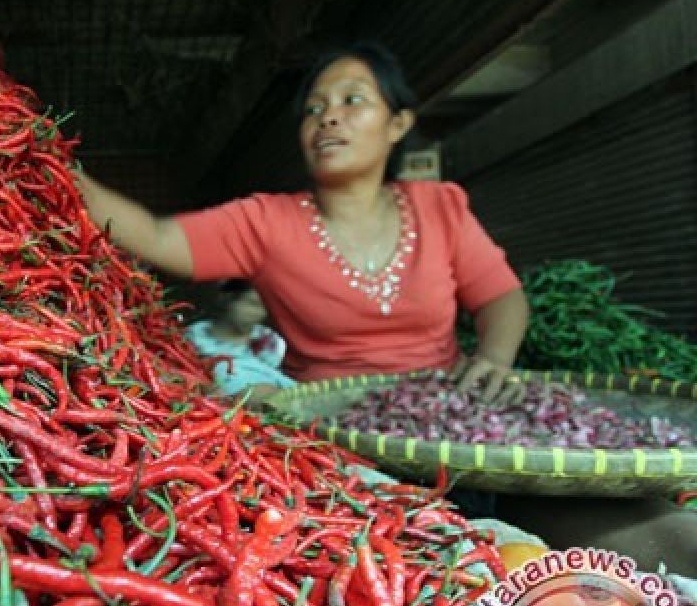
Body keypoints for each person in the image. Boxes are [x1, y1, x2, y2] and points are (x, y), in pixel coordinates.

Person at [76, 41, 530, 407]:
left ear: (398, 124)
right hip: (325, 431)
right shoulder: (265, 222)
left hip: (441, 415)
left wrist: (494, 358)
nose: (329, 116)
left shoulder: (439, 207)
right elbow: (156, 236)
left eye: (353, 100)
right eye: (314, 109)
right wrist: (60, 169)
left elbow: (501, 296)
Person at [184, 281, 294, 399]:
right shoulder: (195, 335)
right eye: (252, 304)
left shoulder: (270, 340)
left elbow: (274, 374)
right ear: (229, 298)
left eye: (265, 307)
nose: (258, 313)